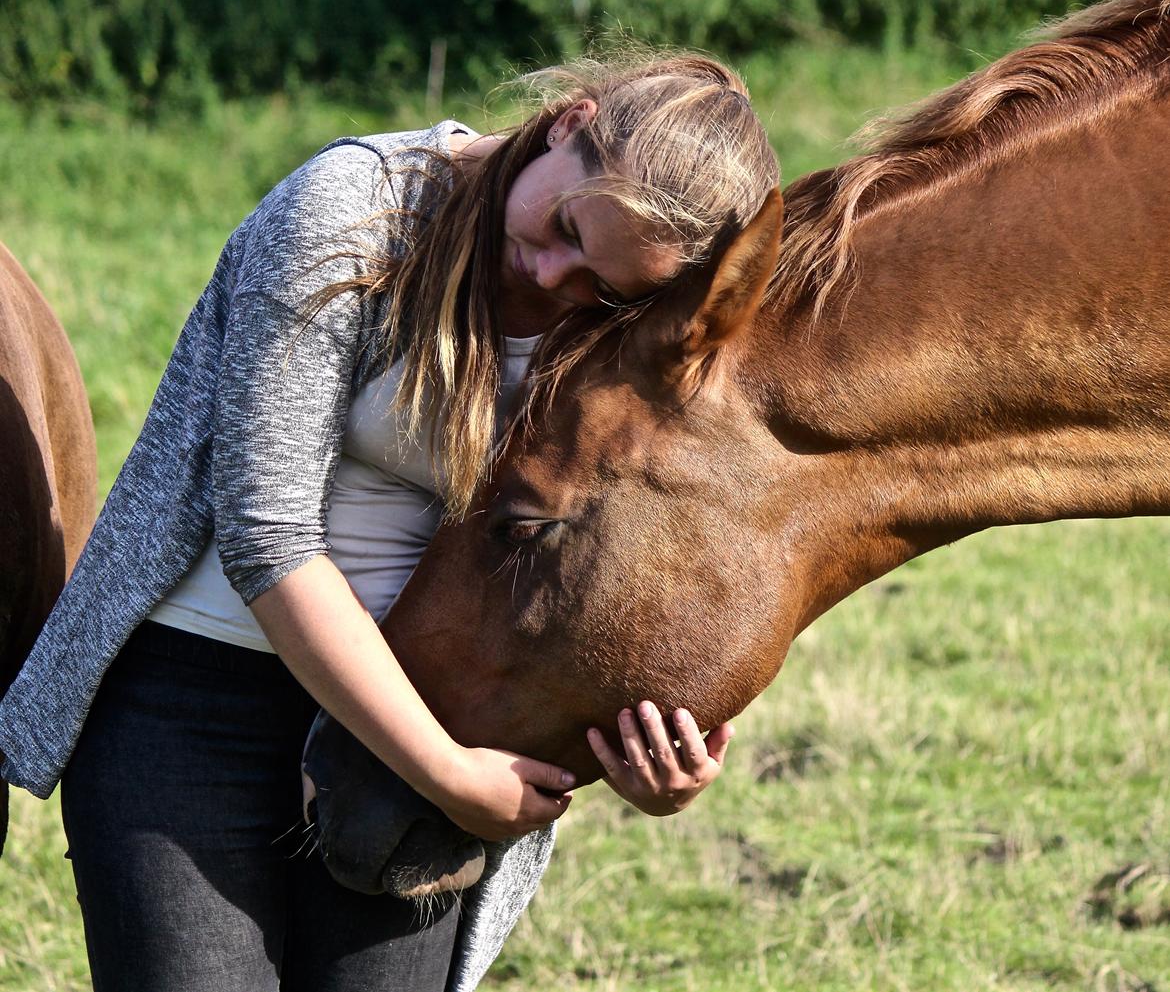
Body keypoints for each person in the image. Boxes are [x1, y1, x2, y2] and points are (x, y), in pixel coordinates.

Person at [0, 52, 780, 991]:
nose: (552, 272)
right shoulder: (355, 206)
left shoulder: (618, 328)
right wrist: (451, 775)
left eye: (601, 284)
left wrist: (642, 753)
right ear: (568, 122)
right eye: (565, 225)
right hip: (189, 700)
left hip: (428, 710)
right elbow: (265, 532)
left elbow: (600, 555)